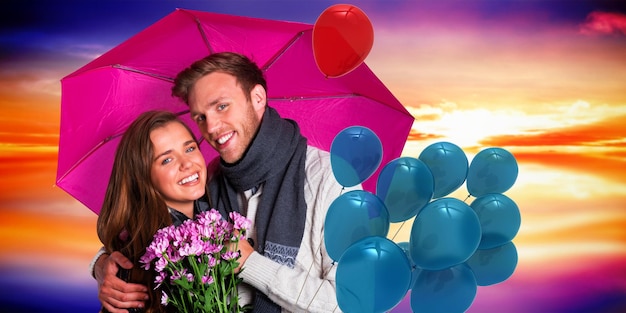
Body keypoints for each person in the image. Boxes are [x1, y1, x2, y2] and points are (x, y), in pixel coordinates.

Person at [92, 52, 356, 312]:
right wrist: (104, 265)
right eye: (200, 117)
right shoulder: (211, 183)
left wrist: (251, 263)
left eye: (221, 106)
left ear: (258, 98)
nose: (212, 127)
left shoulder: (331, 179)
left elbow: (353, 303)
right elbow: (156, 229)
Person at [95, 110, 209, 313]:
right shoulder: (144, 256)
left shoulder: (215, 209)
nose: (187, 164)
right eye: (167, 160)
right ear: (144, 177)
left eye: (190, 148)